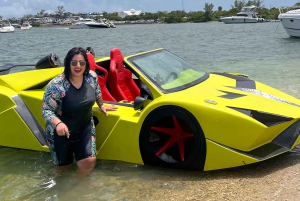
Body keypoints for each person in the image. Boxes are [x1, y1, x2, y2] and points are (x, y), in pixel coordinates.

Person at [41, 47, 117, 176]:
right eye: (74, 62)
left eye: (82, 63)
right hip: (60, 134)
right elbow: (46, 110)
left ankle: (79, 188)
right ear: (68, 63)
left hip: (84, 128)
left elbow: (97, 91)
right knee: (63, 169)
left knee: (89, 161)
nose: (78, 66)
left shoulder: (91, 77)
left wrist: (101, 105)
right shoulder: (57, 85)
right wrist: (58, 123)